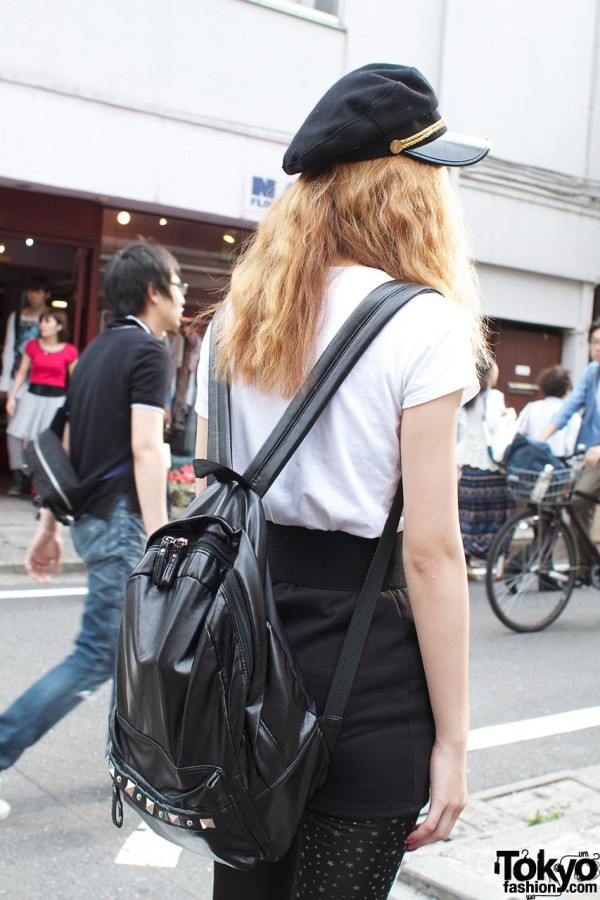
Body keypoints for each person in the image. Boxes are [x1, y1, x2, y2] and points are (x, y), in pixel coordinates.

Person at [194, 63, 488, 900]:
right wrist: (454, 743)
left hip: (241, 662)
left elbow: (224, 495)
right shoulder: (423, 324)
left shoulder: (236, 321)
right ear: (404, 190)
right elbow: (430, 552)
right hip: (363, 683)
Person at [0, 242, 186, 819]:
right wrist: (162, 535)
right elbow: (145, 447)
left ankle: (139, 769)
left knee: (134, 651)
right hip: (123, 522)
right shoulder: (150, 354)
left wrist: (48, 527)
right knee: (96, 655)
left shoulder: (96, 352)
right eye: (177, 284)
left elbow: (69, 448)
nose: (184, 296)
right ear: (153, 291)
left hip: (91, 520)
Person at [540, 321, 600, 583]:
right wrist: (541, 439)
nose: (597, 347)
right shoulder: (592, 372)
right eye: (594, 341)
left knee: (578, 498)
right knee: (574, 501)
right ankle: (583, 568)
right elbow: (569, 407)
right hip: (590, 455)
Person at [457, 358, 516, 572]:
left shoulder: (467, 399)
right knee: (500, 516)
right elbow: (495, 424)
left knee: (469, 519)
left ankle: (468, 563)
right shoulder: (493, 396)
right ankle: (497, 564)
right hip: (491, 470)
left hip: (469, 470)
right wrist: (509, 415)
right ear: (490, 373)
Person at [0, 273, 51, 495]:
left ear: (46, 294)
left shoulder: (51, 319)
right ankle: (15, 475)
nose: (33, 295)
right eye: (30, 291)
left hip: (41, 382)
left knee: (35, 432)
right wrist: (5, 384)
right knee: (14, 430)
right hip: (16, 380)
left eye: (37, 291)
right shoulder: (17, 316)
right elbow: (10, 348)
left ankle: (31, 477)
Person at [6, 310, 78, 451]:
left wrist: (74, 403)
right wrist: (12, 396)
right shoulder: (32, 345)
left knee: (49, 437)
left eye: (47, 321)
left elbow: (75, 380)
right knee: (23, 435)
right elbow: (21, 373)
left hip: (55, 399)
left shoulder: (70, 351)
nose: (42, 326)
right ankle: (24, 469)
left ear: (59, 326)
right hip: (32, 395)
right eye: (41, 321)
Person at [516, 365, 580, 458]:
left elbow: (519, 433)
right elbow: (569, 448)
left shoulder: (532, 407)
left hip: (531, 459)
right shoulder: (572, 415)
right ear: (567, 389)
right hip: (557, 462)